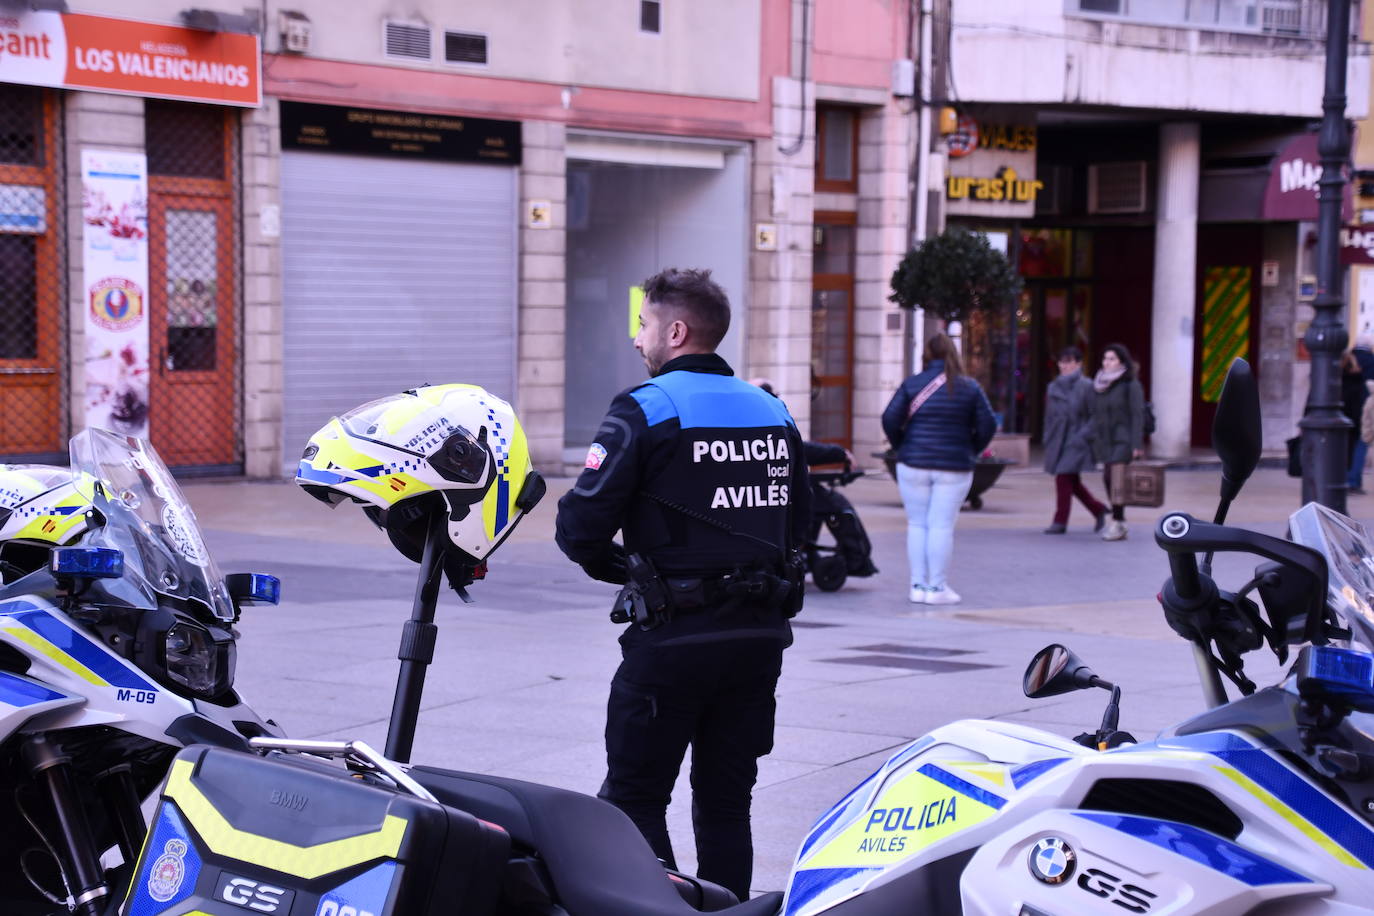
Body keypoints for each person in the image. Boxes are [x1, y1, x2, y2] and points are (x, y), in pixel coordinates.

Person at [554, 268, 809, 901]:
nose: (637, 341)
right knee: (727, 801)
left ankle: (664, 908)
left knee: (634, 798)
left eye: (643, 326)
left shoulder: (647, 407)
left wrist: (625, 570)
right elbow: (799, 522)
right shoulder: (772, 409)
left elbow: (580, 525)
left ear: (675, 330)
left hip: (672, 642)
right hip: (757, 640)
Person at [880, 332, 996, 605]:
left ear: (926, 355)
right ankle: (937, 587)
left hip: (913, 463)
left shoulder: (912, 384)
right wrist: (972, 448)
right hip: (954, 466)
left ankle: (917, 585)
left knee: (917, 524)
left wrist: (903, 445)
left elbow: (889, 418)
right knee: (941, 526)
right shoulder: (969, 387)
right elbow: (988, 424)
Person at [1042, 346, 1108, 534]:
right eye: (1062, 361)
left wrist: (1083, 435)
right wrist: (1048, 438)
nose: (1064, 365)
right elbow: (1048, 417)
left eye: (1069, 361)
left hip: (1077, 440)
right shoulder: (1053, 387)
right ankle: (1098, 509)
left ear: (1078, 363)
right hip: (1057, 440)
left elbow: (1096, 415)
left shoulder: (1086, 386)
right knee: (1072, 481)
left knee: (1063, 478)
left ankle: (1060, 521)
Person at [1090, 343, 1146, 541]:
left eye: (1112, 359)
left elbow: (1137, 415)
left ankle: (1117, 520)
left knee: (1114, 478)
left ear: (1122, 361)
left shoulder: (1130, 384)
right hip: (1105, 440)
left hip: (1123, 439)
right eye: (1105, 358)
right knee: (1109, 478)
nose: (1107, 362)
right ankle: (1119, 520)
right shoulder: (1100, 384)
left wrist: (1136, 445)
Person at [1346, 343, 1374, 493]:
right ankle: (1353, 481)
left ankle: (1342, 479)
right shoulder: (1371, 361)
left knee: (1343, 447)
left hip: (1343, 410)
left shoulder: (1345, 360)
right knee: (1361, 445)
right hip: (1363, 411)